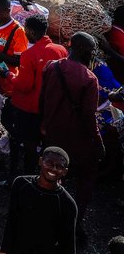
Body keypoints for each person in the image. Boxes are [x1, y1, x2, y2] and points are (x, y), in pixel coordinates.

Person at [39, 32, 103, 233]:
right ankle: (75, 224)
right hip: (77, 141)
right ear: (83, 49)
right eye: (92, 50)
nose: (93, 55)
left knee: (52, 175)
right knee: (85, 179)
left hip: (52, 136)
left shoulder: (51, 67)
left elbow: (42, 101)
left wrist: (44, 124)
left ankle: (46, 216)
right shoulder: (89, 78)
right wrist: (98, 143)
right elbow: (88, 117)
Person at [8, 16, 67, 178]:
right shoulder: (61, 50)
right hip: (51, 108)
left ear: (32, 32)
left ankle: (27, 177)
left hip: (29, 108)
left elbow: (25, 86)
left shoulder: (29, 54)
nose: (25, 33)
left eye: (26, 30)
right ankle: (46, 174)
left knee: (28, 144)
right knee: (46, 143)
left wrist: (9, 76)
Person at [0, 147, 77, 254]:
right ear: (40, 161)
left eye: (59, 166)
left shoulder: (67, 203)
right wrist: (3, 253)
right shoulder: (21, 184)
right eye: (49, 163)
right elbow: (11, 223)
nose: (53, 169)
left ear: (65, 172)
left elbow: (68, 245)